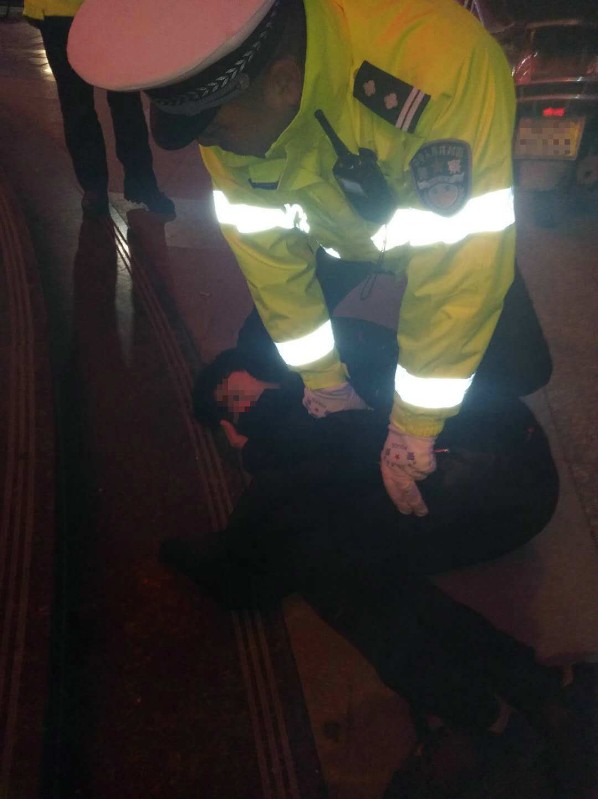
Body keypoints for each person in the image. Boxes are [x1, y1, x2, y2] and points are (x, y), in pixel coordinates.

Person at [66, 0, 519, 516]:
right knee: (261, 345)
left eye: (217, 132)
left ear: (283, 82)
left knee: (498, 366)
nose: (210, 147)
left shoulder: (439, 63)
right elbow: (271, 264)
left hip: (442, 237)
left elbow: (460, 271)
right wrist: (325, 387)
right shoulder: (227, 111)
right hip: (337, 233)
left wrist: (413, 428)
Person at [158, 324, 595, 799]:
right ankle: (530, 693)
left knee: (323, 555)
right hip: (484, 491)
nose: (241, 409)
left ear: (250, 364)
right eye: (230, 411)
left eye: (234, 393)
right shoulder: (304, 396)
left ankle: (489, 716)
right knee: (330, 547)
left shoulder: (321, 377)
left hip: (493, 482)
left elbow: (343, 443)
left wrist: (257, 450)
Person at [23, 0, 175, 218]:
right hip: (66, 12)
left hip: (106, 11)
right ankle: (110, 185)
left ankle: (128, 183)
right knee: (94, 104)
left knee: (118, 103)